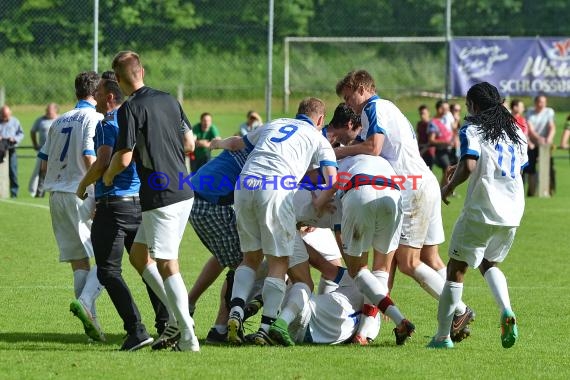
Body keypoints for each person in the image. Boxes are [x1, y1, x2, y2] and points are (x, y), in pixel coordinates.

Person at [334, 71, 473, 342]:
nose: (348, 104)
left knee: (407, 262)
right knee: (428, 259)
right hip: (424, 181)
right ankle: (370, 331)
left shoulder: (372, 107)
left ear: (362, 88)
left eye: (349, 97)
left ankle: (460, 309)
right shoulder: (389, 107)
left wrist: (339, 151)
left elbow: (374, 147)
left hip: (409, 187)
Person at [212, 97, 338, 346]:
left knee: (250, 258)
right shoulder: (318, 139)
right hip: (276, 188)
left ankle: (236, 311)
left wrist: (216, 142)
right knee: (279, 262)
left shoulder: (275, 123)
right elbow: (332, 179)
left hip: (245, 184)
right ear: (320, 120)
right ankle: (265, 328)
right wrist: (319, 203)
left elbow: (237, 142)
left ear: (298, 113)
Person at [103, 51, 199, 352]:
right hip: (183, 189)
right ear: (141, 71)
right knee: (139, 256)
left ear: (118, 80)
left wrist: (107, 176)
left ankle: (187, 335)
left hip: (160, 197)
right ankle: (174, 317)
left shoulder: (129, 109)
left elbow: (125, 156)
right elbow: (189, 143)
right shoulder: (170, 99)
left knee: (168, 264)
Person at [429, 82, 527, 349]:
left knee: (456, 269)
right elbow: (512, 167)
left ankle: (441, 337)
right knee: (489, 262)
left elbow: (470, 165)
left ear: (473, 105)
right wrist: (459, 165)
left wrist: (448, 187)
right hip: (513, 211)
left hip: (483, 209)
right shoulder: (517, 132)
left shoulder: (472, 129)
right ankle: (506, 309)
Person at [75, 74, 155, 351]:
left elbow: (104, 162)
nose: (93, 99)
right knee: (146, 266)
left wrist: (83, 185)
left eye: (97, 94)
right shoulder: (136, 117)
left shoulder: (108, 122)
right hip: (139, 202)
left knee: (108, 271)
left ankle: (136, 330)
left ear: (109, 97)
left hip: (114, 204)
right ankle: (168, 322)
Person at [38, 71, 105, 341]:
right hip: (81, 194)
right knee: (107, 258)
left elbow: (44, 161)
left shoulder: (58, 120)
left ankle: (93, 329)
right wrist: (97, 193)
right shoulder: (95, 118)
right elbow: (91, 157)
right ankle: (87, 304)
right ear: (97, 91)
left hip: (55, 193)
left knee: (79, 263)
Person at [186, 143, 252, 344]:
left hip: (196, 198)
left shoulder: (249, 142)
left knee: (223, 256)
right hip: (210, 204)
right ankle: (220, 328)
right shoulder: (266, 153)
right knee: (244, 264)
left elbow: (233, 142)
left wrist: (218, 143)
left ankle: (187, 304)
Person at [525, 94, 556, 196]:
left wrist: (549, 139)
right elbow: (530, 128)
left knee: (548, 168)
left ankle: (548, 191)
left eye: (543, 102)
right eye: (539, 102)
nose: (541, 104)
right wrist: (539, 138)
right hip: (533, 143)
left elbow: (551, 126)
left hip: (545, 144)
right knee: (531, 168)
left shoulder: (549, 111)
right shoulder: (530, 112)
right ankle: (531, 191)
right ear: (535, 103)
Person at [29, 103, 59, 197]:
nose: (47, 112)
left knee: (56, 171)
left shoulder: (61, 119)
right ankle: (34, 191)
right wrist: (35, 144)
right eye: (46, 110)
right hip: (43, 150)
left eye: (49, 111)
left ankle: (56, 190)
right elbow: (32, 131)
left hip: (57, 151)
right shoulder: (40, 120)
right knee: (39, 171)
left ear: (55, 111)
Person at [428, 100, 455, 185]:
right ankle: (442, 190)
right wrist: (445, 142)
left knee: (450, 170)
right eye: (445, 108)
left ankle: (445, 189)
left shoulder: (446, 119)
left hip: (450, 149)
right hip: (440, 150)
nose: (447, 111)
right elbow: (431, 140)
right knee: (448, 168)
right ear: (439, 109)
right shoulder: (433, 123)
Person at [0, 105, 24, 198]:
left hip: (11, 149)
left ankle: (14, 193)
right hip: (0, 149)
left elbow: (21, 134)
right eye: (3, 116)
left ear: (10, 114)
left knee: (13, 172)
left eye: (7, 116)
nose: (5, 118)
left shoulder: (15, 121)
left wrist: (14, 139)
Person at [416, 104, 434, 169]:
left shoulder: (431, 124)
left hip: (429, 152)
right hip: (420, 149)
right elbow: (418, 137)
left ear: (428, 113)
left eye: (424, 113)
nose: (422, 116)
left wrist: (422, 151)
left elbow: (431, 142)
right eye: (421, 114)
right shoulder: (419, 124)